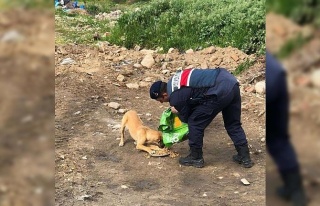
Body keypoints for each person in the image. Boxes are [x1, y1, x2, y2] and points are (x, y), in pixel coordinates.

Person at [149, 67, 254, 168]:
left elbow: (186, 118)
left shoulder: (175, 97)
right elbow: (196, 94)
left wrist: (177, 111)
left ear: (164, 94)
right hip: (231, 82)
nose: (162, 102)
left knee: (194, 123)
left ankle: (195, 157)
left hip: (219, 90)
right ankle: (244, 156)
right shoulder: (175, 80)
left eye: (160, 100)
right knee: (233, 123)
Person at [266, 51, 307, 206]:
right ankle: (296, 191)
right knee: (279, 138)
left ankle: (294, 189)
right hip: (277, 75)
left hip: (271, 82)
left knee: (276, 138)